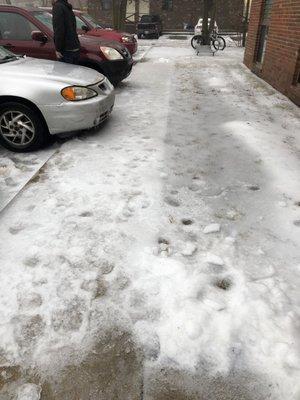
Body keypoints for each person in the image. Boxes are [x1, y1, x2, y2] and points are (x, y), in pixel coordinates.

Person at [52, 0, 80, 64]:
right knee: (73, 73)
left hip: (66, 50)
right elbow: (73, 27)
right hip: (75, 47)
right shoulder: (68, 7)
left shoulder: (58, 7)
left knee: (63, 73)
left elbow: (59, 29)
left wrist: (58, 49)